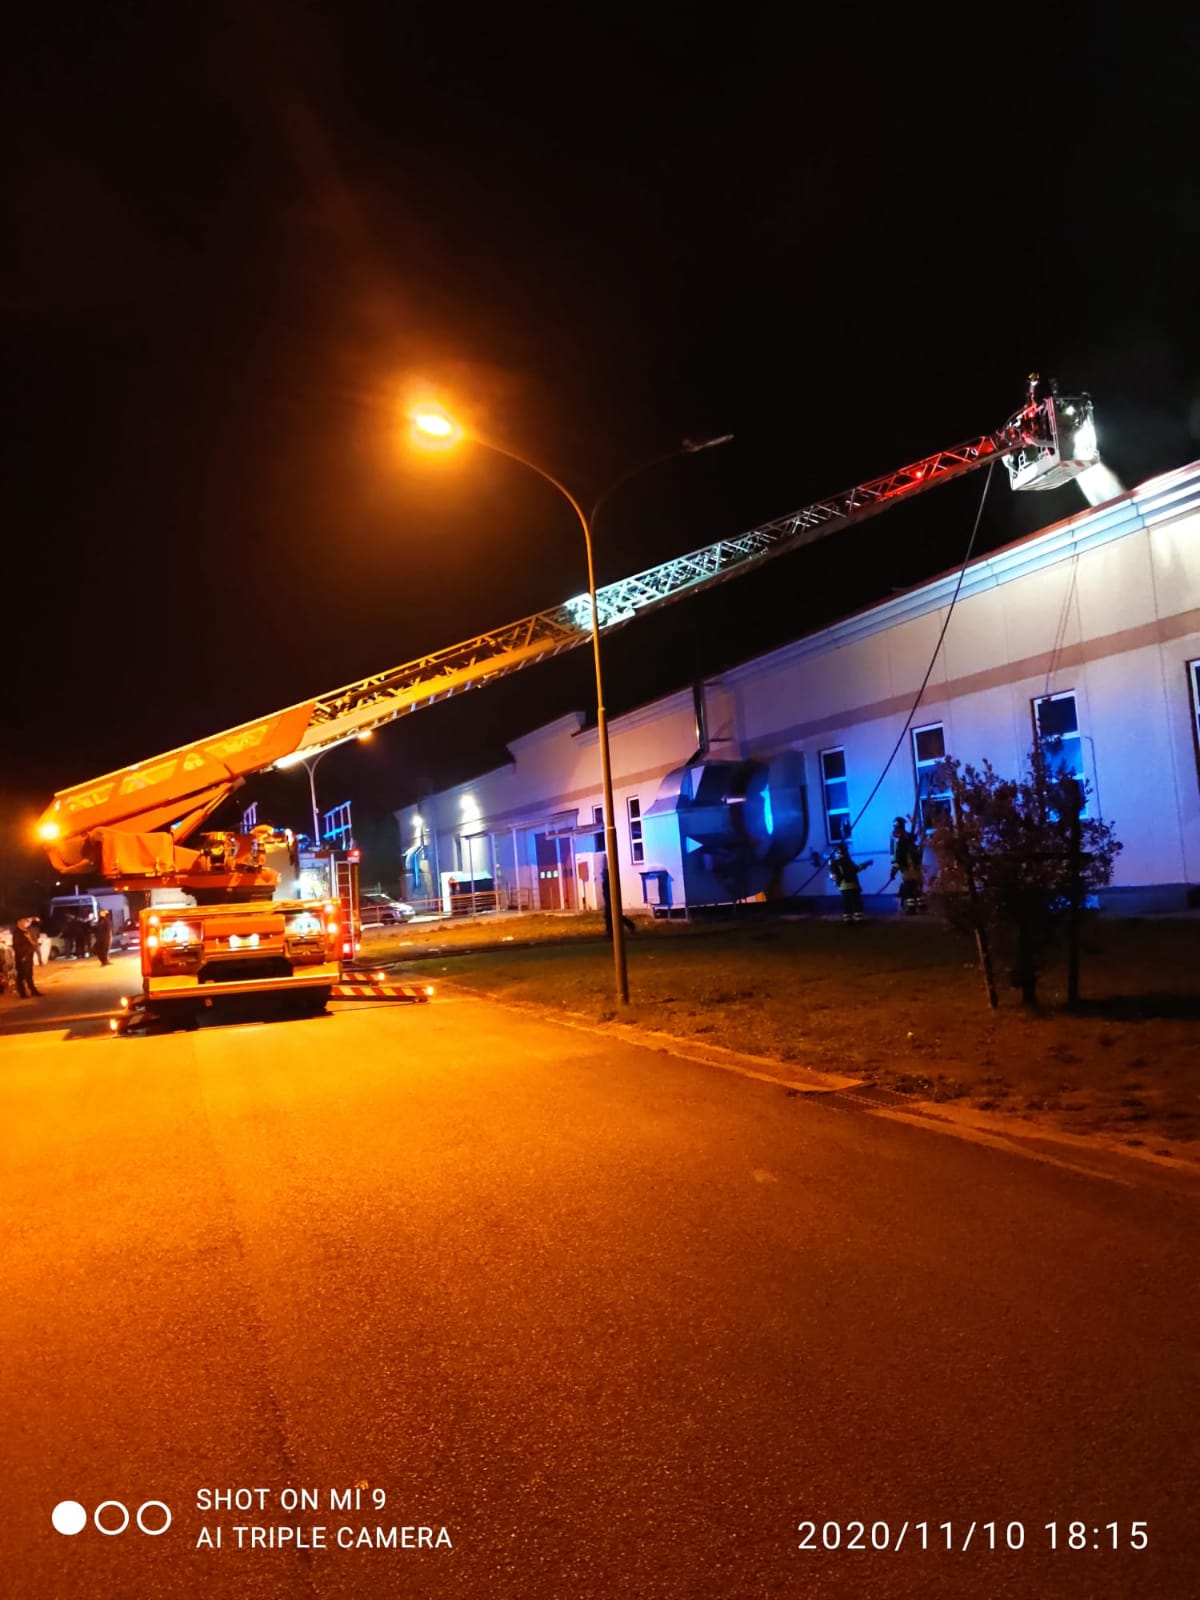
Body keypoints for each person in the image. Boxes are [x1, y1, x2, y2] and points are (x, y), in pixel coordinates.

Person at [887, 816, 926, 916]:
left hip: (908, 869)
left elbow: (899, 858)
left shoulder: (902, 843)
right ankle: (921, 906)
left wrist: (893, 871)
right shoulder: (909, 840)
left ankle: (911, 908)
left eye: (897, 828)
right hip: (915, 868)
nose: (895, 831)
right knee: (916, 887)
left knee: (909, 888)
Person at [829, 840, 871, 923]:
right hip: (852, 885)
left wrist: (837, 883)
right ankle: (858, 919)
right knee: (856, 903)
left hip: (842, 887)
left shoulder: (834, 863)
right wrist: (865, 865)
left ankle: (847, 919)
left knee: (846, 903)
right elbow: (855, 869)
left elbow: (833, 876)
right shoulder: (847, 861)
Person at [600, 862, 635, 937]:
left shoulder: (608, 882)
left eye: (603, 874)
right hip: (608, 901)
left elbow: (608, 892)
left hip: (610, 901)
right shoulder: (606, 881)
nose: (602, 875)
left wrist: (609, 901)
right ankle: (611, 932)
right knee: (610, 916)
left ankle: (611, 932)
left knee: (612, 916)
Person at [12, 919, 43, 997]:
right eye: (24, 922)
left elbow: (32, 943)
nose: (26, 923)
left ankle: (33, 990)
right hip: (22, 958)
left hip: (28, 956)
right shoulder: (18, 933)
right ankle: (22, 993)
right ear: (19, 923)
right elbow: (17, 947)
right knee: (21, 975)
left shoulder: (25, 932)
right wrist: (23, 956)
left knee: (29, 974)